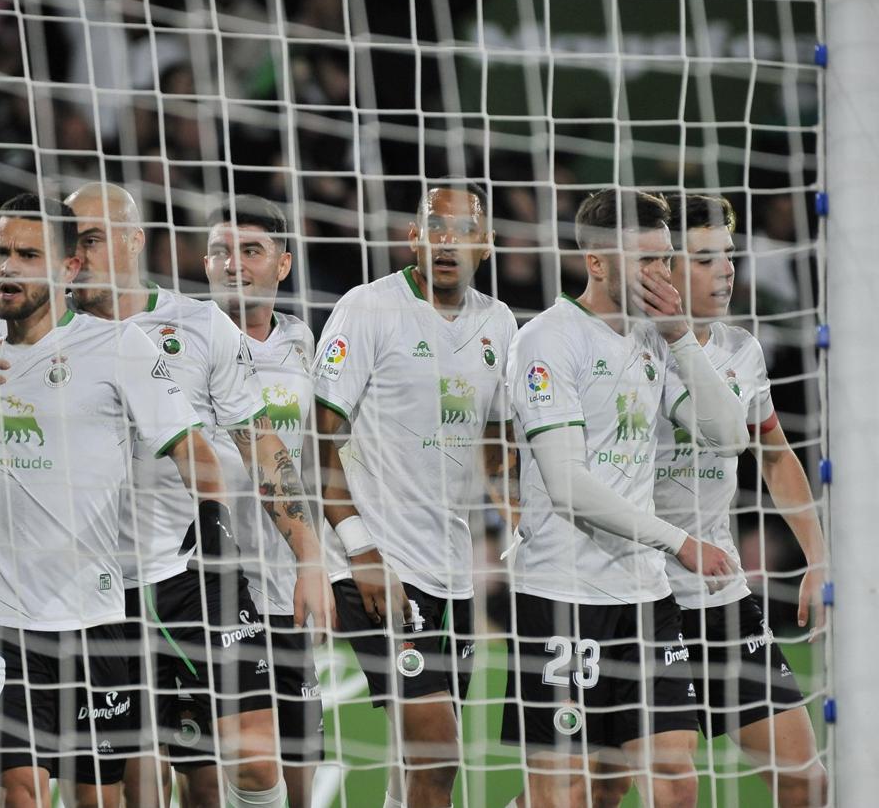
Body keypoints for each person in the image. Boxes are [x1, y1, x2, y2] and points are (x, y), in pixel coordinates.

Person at [0, 193, 225, 808]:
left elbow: (194, 455)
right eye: (0, 253)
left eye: (28, 255)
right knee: (20, 791)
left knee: (97, 798)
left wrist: (210, 540)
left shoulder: (119, 349)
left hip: (92, 614)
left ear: (68, 268)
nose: (9, 267)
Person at [64, 182, 332, 808]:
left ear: (135, 242)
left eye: (94, 239)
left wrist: (309, 550)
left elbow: (261, 441)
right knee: (130, 781)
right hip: (85, 582)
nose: (79, 255)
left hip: (189, 571)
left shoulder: (198, 324)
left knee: (251, 757)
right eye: (69, 243)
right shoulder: (41, 333)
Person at [501, 188, 747, 808]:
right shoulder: (548, 340)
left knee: (675, 782)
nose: (663, 275)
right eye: (647, 262)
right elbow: (567, 488)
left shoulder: (656, 339)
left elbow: (730, 436)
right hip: (562, 596)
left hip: (646, 599)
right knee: (568, 797)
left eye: (666, 260)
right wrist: (680, 542)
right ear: (599, 263)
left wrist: (681, 338)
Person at [314, 181, 516, 808]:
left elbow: (497, 446)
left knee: (417, 769)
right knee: (440, 753)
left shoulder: (500, 323)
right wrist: (359, 548)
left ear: (486, 244)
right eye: (434, 226)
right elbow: (315, 441)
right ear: (412, 236)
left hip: (452, 570)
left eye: (461, 231)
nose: (446, 243)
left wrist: (520, 523)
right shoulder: (366, 309)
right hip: (377, 562)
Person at [647, 193, 826, 805]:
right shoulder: (620, 349)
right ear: (663, 266)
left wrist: (818, 559)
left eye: (728, 254)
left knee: (805, 782)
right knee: (654, 788)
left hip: (721, 592)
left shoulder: (741, 351)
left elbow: (775, 454)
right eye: (703, 258)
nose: (725, 269)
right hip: (635, 596)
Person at [169, 195, 323, 808]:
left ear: (282, 264)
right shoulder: (175, 342)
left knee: (300, 775)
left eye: (251, 251)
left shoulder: (303, 343)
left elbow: (317, 459)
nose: (234, 265)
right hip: (207, 581)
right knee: (211, 775)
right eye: (220, 252)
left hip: (287, 583)